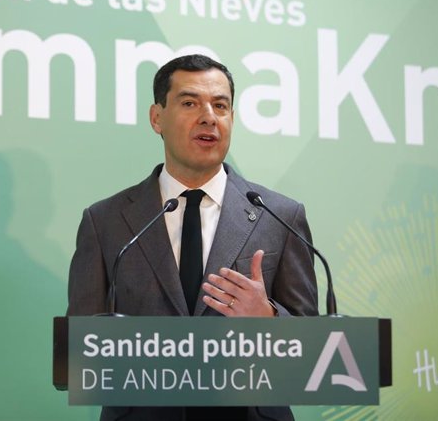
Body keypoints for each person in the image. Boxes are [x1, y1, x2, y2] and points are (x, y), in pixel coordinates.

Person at [67, 54, 318, 420]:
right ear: (157, 118)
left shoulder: (279, 216)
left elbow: (315, 350)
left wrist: (268, 320)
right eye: (189, 103)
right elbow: (79, 348)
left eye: (221, 105)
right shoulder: (105, 221)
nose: (209, 117)